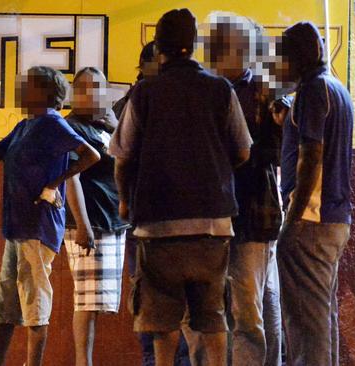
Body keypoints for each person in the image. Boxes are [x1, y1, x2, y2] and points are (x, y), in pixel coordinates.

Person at [110, 8, 252, 366]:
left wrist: (126, 203)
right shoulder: (220, 90)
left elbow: (122, 157)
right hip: (213, 224)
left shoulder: (144, 94)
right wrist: (214, 172)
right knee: (213, 316)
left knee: (163, 320)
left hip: (158, 225)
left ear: (159, 48)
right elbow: (243, 150)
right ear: (193, 45)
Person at [0, 66, 100, 366]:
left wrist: (54, 183)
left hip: (38, 226)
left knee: (35, 302)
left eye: (27, 85)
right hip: (16, 227)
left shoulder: (52, 123)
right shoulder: (24, 126)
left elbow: (91, 155)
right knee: (7, 303)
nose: (20, 89)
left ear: (44, 93)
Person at [202, 12, 283, 366]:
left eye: (224, 44)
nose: (215, 52)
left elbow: (281, 149)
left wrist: (240, 152)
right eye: (214, 44)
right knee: (233, 306)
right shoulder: (205, 89)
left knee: (250, 309)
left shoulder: (265, 91)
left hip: (253, 210)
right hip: (213, 214)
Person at [275, 22, 354, 366]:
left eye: (283, 58)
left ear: (294, 58)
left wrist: (291, 220)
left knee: (306, 323)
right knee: (321, 317)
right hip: (334, 219)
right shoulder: (336, 88)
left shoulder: (312, 90)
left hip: (311, 219)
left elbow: (312, 157)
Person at [113, 41, 191, 366]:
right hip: (163, 217)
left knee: (152, 298)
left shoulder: (131, 102)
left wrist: (124, 202)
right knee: (171, 299)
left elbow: (121, 161)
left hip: (146, 216)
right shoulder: (139, 101)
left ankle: (158, 360)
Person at [63, 66, 130, 366]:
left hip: (113, 221)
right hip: (90, 223)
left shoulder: (106, 125)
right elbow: (70, 178)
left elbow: (129, 157)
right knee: (87, 301)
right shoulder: (71, 128)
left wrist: (116, 126)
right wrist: (82, 225)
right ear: (76, 93)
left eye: (99, 88)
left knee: (99, 301)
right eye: (87, 88)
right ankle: (83, 362)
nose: (94, 94)